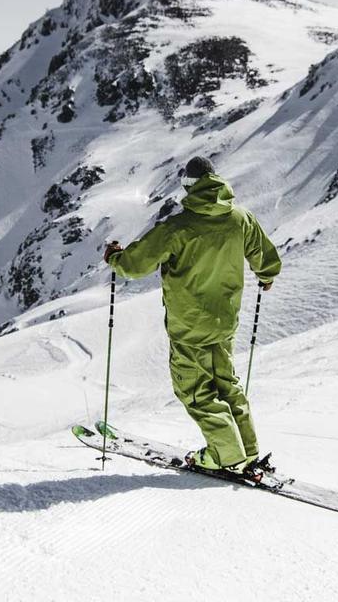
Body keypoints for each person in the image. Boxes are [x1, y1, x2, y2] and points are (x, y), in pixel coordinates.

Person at [103, 156, 281, 478]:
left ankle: (226, 456)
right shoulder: (240, 219)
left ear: (189, 187)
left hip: (189, 325)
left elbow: (135, 264)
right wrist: (266, 275)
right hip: (224, 321)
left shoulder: (178, 228)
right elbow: (263, 256)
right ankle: (247, 450)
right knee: (227, 384)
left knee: (196, 392)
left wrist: (116, 257)